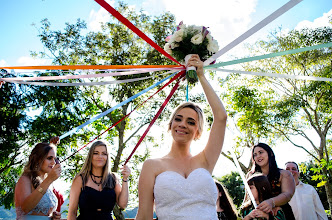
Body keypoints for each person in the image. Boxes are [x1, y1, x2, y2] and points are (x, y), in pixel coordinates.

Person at [135, 54, 227, 220]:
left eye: (191, 122)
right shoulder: (152, 166)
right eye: (178, 119)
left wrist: (201, 76)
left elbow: (221, 117)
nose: (183, 124)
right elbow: (144, 216)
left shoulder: (205, 160)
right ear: (170, 125)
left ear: (198, 131)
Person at [67, 140, 131, 220]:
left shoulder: (113, 178)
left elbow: (122, 205)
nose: (100, 156)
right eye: (96, 153)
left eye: (104, 154)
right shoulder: (80, 179)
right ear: (90, 156)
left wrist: (125, 179)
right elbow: (72, 212)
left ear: (107, 157)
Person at [14, 137, 62, 220]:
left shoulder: (48, 183)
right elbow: (25, 208)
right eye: (49, 158)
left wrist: (53, 217)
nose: (53, 162)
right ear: (38, 160)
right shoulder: (25, 179)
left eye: (54, 159)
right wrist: (49, 180)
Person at [248, 143, 295, 220]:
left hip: (281, 214)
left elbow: (288, 194)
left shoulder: (284, 174)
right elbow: (247, 199)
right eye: (255, 155)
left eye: (261, 152)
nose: (258, 156)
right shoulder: (250, 175)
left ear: (270, 153)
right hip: (257, 215)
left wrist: (271, 202)